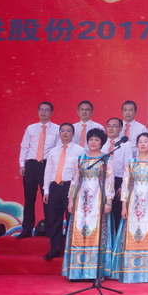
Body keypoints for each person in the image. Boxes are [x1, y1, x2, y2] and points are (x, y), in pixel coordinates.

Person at [110, 133, 148, 283]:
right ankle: (129, 269)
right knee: (130, 232)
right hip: (132, 203)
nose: (142, 144)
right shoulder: (131, 163)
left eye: (146, 141)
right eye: (140, 141)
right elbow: (125, 185)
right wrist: (123, 206)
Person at [62, 128, 114, 280]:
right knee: (79, 229)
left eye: (97, 140)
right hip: (81, 200)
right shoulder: (81, 159)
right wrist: (71, 200)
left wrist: (108, 201)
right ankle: (77, 271)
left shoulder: (106, 159)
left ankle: (95, 271)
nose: (93, 142)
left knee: (95, 230)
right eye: (91, 139)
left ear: (102, 143)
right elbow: (74, 181)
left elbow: (109, 182)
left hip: (98, 199)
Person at [42, 123, 84, 260]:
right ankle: (54, 249)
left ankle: (72, 249)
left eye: (68, 131)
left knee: (72, 219)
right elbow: (48, 171)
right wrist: (46, 190)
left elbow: (81, 173)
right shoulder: (53, 151)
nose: (65, 133)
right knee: (54, 220)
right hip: (55, 187)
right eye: (62, 131)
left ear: (73, 134)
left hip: (70, 187)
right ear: (59, 133)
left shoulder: (80, 151)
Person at [18, 101, 60, 238]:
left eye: (46, 110)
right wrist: (22, 164)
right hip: (31, 165)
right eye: (41, 109)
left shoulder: (57, 129)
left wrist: (55, 169)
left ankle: (50, 230)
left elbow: (57, 150)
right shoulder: (31, 128)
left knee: (48, 199)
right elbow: (25, 146)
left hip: (47, 165)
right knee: (29, 199)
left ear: (51, 113)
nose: (43, 112)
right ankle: (26, 229)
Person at [104, 117, 134, 230]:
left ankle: (116, 237)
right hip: (102, 181)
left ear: (121, 128)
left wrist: (123, 186)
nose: (111, 128)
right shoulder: (102, 143)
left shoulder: (126, 145)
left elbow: (128, 166)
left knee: (116, 212)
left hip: (118, 181)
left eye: (115, 126)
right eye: (109, 126)